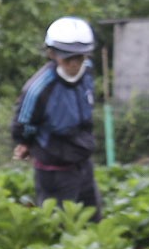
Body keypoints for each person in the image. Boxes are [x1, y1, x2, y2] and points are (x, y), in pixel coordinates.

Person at [11, 15, 102, 218]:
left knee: (92, 217)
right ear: (52, 54)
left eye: (80, 57)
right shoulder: (39, 88)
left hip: (82, 161)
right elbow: (23, 123)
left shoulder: (87, 73)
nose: (74, 63)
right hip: (54, 169)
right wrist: (25, 143)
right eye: (67, 57)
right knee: (57, 222)